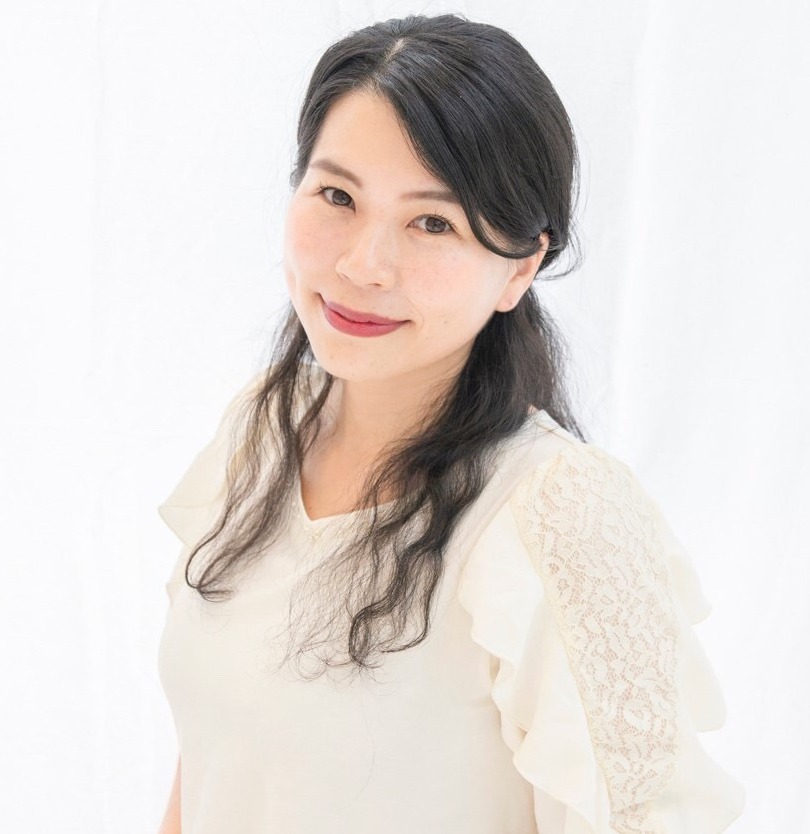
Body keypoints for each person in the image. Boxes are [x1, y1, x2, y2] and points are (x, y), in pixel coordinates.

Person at [156, 13, 745, 834]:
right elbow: (215, 763)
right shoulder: (261, 429)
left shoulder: (557, 512)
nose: (362, 265)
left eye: (432, 222)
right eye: (337, 195)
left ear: (521, 267)